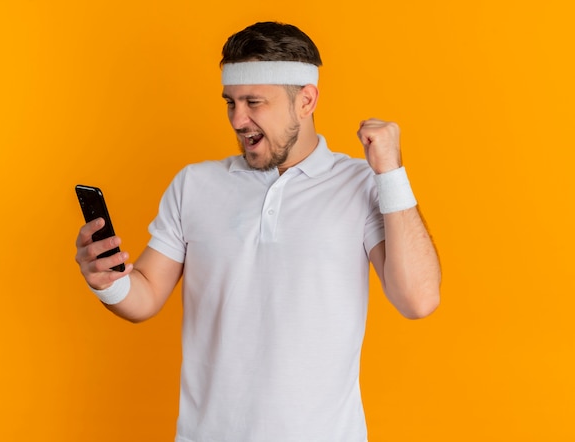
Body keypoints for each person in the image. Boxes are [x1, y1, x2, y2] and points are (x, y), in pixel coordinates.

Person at [75, 21, 441, 442]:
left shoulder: (359, 183)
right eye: (230, 102)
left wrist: (391, 173)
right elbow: (143, 297)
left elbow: (419, 299)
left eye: (254, 102)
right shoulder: (194, 185)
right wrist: (108, 281)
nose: (237, 119)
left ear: (306, 100)